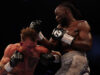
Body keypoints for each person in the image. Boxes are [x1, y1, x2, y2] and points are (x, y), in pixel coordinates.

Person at [32, 2, 92, 75]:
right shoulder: (59, 27)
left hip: (76, 57)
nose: (56, 17)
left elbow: (87, 45)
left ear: (66, 12)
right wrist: (38, 33)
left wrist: (64, 37)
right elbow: (51, 46)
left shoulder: (81, 24)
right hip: (66, 60)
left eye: (57, 14)